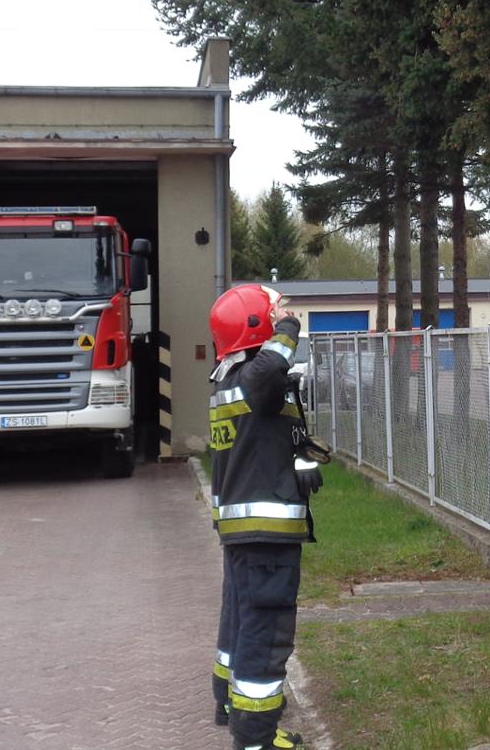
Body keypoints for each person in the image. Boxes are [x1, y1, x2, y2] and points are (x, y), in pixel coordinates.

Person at [207, 284, 318, 749]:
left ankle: (228, 701)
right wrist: (288, 328)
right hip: (267, 534)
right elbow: (271, 366)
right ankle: (256, 738)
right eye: (272, 317)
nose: (281, 322)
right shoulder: (257, 377)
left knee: (239, 619)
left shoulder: (229, 379)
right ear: (256, 327)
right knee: (265, 631)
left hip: (243, 531)